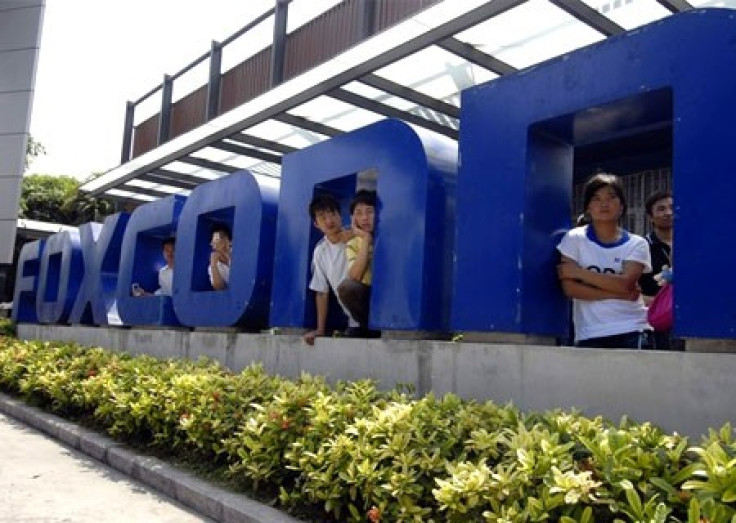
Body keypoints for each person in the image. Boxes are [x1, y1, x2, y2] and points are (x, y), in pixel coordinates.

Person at [557, 173, 653, 349]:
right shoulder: (574, 239)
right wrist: (618, 294)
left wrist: (579, 272)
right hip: (590, 331)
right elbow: (570, 288)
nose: (604, 204)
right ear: (587, 207)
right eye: (596, 198)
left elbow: (625, 284)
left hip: (633, 328)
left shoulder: (637, 243)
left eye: (611, 197)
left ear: (622, 206)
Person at [303, 193, 355, 345]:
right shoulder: (320, 251)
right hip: (352, 322)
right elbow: (321, 292)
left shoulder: (357, 236)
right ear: (316, 224)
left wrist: (356, 235)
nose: (329, 220)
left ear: (340, 215)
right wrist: (320, 329)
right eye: (322, 217)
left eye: (332, 213)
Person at [638, 190, 682, 350]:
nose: (668, 213)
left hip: (687, 320)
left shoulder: (690, 245)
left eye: (672, 207)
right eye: (661, 209)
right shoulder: (641, 247)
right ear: (650, 217)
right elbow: (630, 293)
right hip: (654, 325)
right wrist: (662, 303)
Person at [337, 190, 379, 337]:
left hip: (390, 294)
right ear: (353, 218)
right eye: (359, 213)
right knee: (347, 288)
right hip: (368, 297)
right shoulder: (353, 244)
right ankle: (369, 327)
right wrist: (366, 239)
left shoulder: (390, 237)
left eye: (370, 211)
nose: (365, 218)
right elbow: (354, 276)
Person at [209, 225, 231, 290]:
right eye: (214, 242)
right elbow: (219, 287)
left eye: (220, 239)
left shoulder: (239, 254)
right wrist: (213, 265)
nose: (216, 245)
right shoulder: (213, 267)